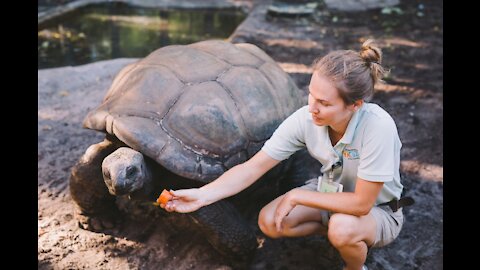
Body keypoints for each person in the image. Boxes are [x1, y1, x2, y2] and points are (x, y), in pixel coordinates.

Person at [160, 39, 406, 270]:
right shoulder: (307, 118)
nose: (312, 107)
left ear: (355, 105)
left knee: (343, 228)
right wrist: (202, 196)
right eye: (311, 94)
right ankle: (340, 234)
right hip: (330, 192)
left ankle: (354, 263)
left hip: (378, 210)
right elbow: (253, 167)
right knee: (269, 221)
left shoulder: (378, 127)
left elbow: (361, 204)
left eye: (325, 103)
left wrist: (298, 195)